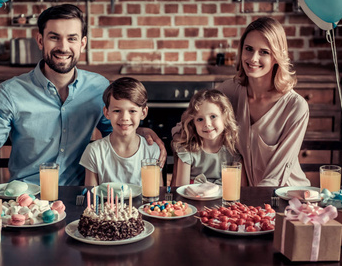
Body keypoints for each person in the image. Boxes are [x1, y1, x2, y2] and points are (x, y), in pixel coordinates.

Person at [0, 4, 165, 186]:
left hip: (79, 197)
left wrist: (142, 132)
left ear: (83, 43)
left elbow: (115, 130)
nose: (63, 47)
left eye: (72, 38)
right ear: (40, 40)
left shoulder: (99, 88)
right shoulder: (10, 92)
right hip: (27, 199)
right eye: (54, 37)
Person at [173, 17, 310, 187]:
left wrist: (249, 206)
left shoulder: (295, 107)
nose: (253, 58)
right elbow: (186, 126)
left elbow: (277, 174)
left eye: (264, 52)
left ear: (277, 56)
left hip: (284, 195)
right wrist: (149, 134)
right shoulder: (229, 91)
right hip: (242, 195)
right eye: (249, 49)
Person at [80, 77, 161, 186]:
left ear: (143, 112)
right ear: (106, 112)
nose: (125, 118)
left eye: (132, 111)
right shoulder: (94, 152)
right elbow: (92, 197)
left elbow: (157, 196)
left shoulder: (152, 150)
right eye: (117, 111)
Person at [173, 89, 242, 186]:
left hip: (224, 199)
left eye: (213, 116)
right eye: (200, 119)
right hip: (193, 198)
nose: (207, 124)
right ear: (193, 123)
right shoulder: (187, 151)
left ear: (225, 117)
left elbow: (239, 188)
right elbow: (181, 189)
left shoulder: (233, 150)